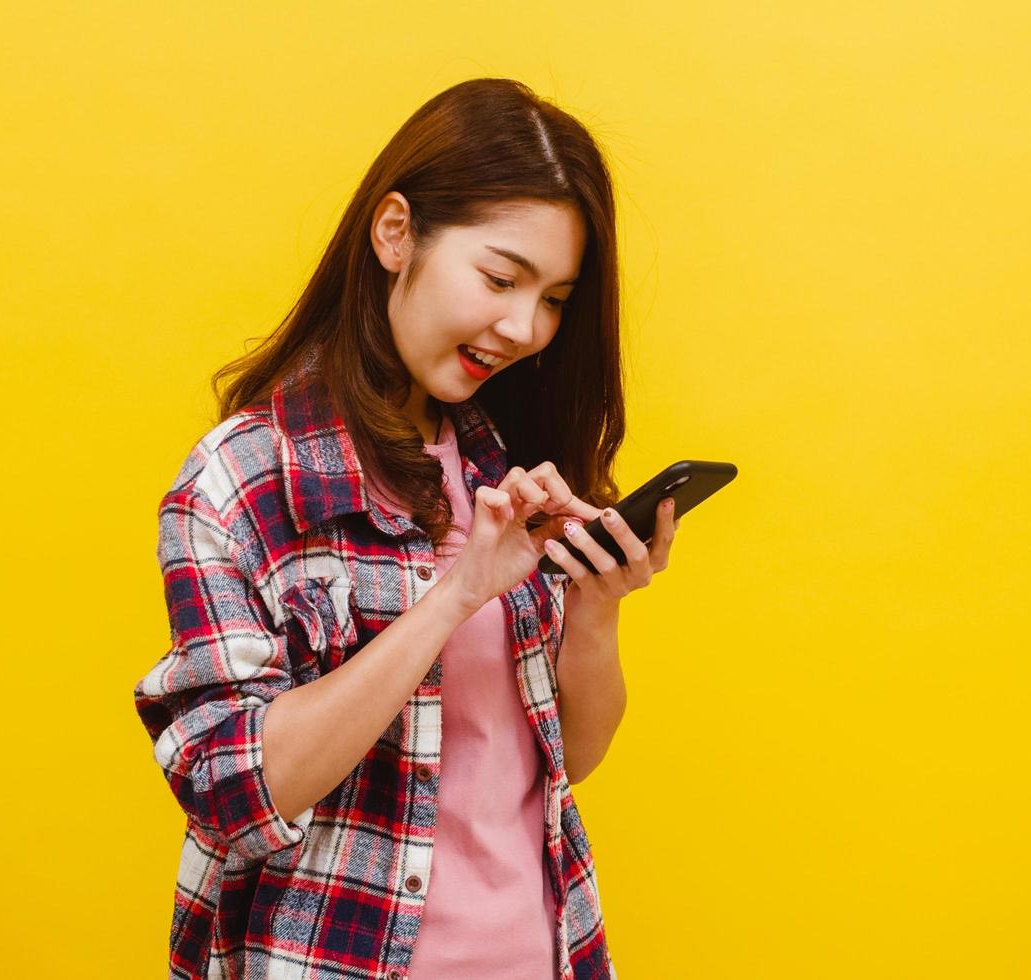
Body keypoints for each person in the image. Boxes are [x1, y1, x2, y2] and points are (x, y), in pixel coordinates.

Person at [132, 77, 681, 980]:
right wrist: (456, 592)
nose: (523, 326)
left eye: (553, 298)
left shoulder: (503, 470)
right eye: (501, 278)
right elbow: (235, 794)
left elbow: (564, 761)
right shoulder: (241, 481)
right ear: (396, 234)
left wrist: (596, 608)